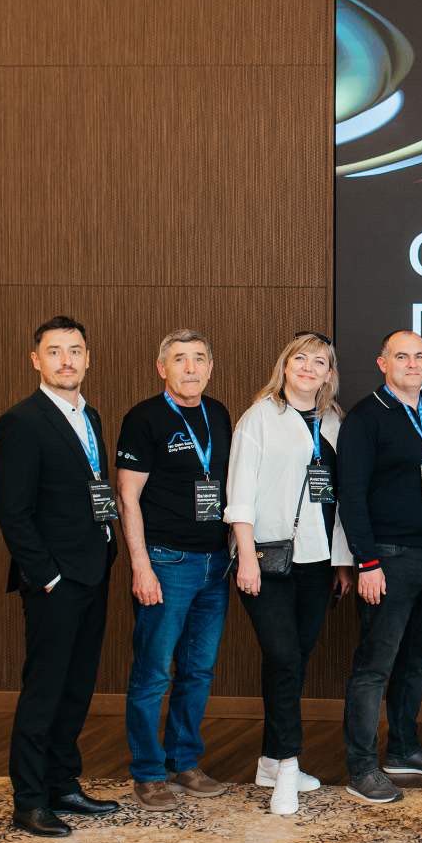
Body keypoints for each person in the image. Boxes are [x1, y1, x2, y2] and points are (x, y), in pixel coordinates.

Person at [0, 316, 120, 837]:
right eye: (54, 351)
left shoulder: (90, 416)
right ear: (36, 360)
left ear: (88, 358)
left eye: (75, 351)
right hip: (56, 581)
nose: (66, 360)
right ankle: (29, 800)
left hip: (94, 570)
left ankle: (62, 784)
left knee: (77, 685)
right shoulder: (21, 422)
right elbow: (13, 512)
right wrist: (46, 577)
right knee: (45, 689)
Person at [225, 331, 355, 816]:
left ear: (328, 374)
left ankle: (269, 759)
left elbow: (340, 498)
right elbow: (239, 491)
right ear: (284, 365)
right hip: (266, 559)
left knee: (293, 660)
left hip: (317, 562)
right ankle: (287, 766)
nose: (308, 367)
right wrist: (245, 556)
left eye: (319, 362)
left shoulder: (335, 421)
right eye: (300, 358)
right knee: (282, 657)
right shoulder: (259, 418)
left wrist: (342, 561)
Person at [337, 329, 422, 804]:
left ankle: (404, 748)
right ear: (382, 363)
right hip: (387, 558)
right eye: (402, 356)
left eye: (419, 356)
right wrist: (366, 562)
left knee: (416, 660)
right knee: (374, 666)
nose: (412, 363)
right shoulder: (366, 418)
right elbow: (351, 495)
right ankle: (361, 767)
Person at [116, 329, 234, 811]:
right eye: (180, 359)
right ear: (162, 368)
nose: (191, 368)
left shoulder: (219, 414)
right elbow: (127, 498)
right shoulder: (144, 418)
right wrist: (141, 567)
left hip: (215, 564)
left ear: (210, 367)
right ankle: (148, 772)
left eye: (199, 358)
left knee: (198, 671)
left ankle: (185, 762)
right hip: (166, 562)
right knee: (153, 673)